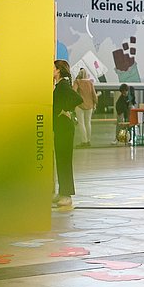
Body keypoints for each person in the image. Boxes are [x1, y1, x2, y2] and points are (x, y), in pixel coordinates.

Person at [53, 59, 83, 208]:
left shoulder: (63, 85)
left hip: (65, 128)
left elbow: (78, 98)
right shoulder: (59, 85)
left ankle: (67, 194)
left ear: (58, 70)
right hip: (60, 128)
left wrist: (66, 110)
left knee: (64, 160)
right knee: (60, 160)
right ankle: (62, 191)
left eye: (53, 68)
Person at [73, 67, 97, 148]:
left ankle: (84, 141)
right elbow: (94, 94)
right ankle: (89, 140)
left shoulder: (77, 82)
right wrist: (95, 104)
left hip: (79, 105)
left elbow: (73, 92)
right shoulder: (90, 82)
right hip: (90, 105)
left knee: (81, 123)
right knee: (88, 123)